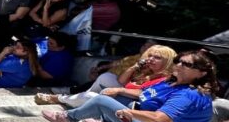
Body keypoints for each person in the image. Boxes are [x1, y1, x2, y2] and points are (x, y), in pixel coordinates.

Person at [42, 52, 216, 122]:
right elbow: (145, 95)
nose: (178, 64)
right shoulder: (172, 81)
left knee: (102, 101)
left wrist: (130, 113)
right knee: (108, 93)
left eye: (186, 64)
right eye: (178, 60)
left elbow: (161, 119)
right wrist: (120, 91)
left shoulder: (190, 95)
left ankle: (68, 118)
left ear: (201, 73)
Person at [35, 44, 176, 107]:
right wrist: (135, 67)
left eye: (156, 58)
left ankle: (61, 99)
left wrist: (120, 90)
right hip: (123, 93)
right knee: (106, 77)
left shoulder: (165, 78)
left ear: (167, 61)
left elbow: (144, 94)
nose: (150, 59)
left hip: (131, 102)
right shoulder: (147, 70)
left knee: (90, 97)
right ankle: (80, 100)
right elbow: (121, 80)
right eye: (149, 55)